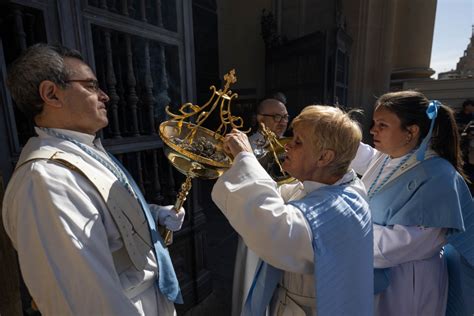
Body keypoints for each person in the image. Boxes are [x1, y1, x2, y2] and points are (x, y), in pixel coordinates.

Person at [2, 43, 185, 315]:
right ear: (51, 94)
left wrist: (154, 214)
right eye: (90, 86)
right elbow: (84, 301)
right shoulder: (46, 181)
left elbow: (106, 216)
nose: (104, 96)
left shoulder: (83, 149)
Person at [213, 105, 374, 315]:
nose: (287, 145)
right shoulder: (329, 184)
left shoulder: (342, 205)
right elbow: (280, 195)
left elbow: (275, 230)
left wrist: (245, 159)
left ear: (324, 158)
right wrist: (238, 164)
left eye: (298, 142)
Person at [350, 90, 474, 315]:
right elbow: (361, 156)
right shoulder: (390, 156)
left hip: (409, 283)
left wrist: (340, 232)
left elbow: (400, 244)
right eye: (374, 123)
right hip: (376, 271)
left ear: (411, 131)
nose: (372, 130)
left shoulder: (438, 177)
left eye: (382, 125)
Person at [232, 93, 290, 316]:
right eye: (275, 116)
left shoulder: (290, 144)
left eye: (285, 116)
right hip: (255, 219)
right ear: (259, 118)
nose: (282, 121)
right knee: (253, 276)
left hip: (282, 220)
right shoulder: (246, 148)